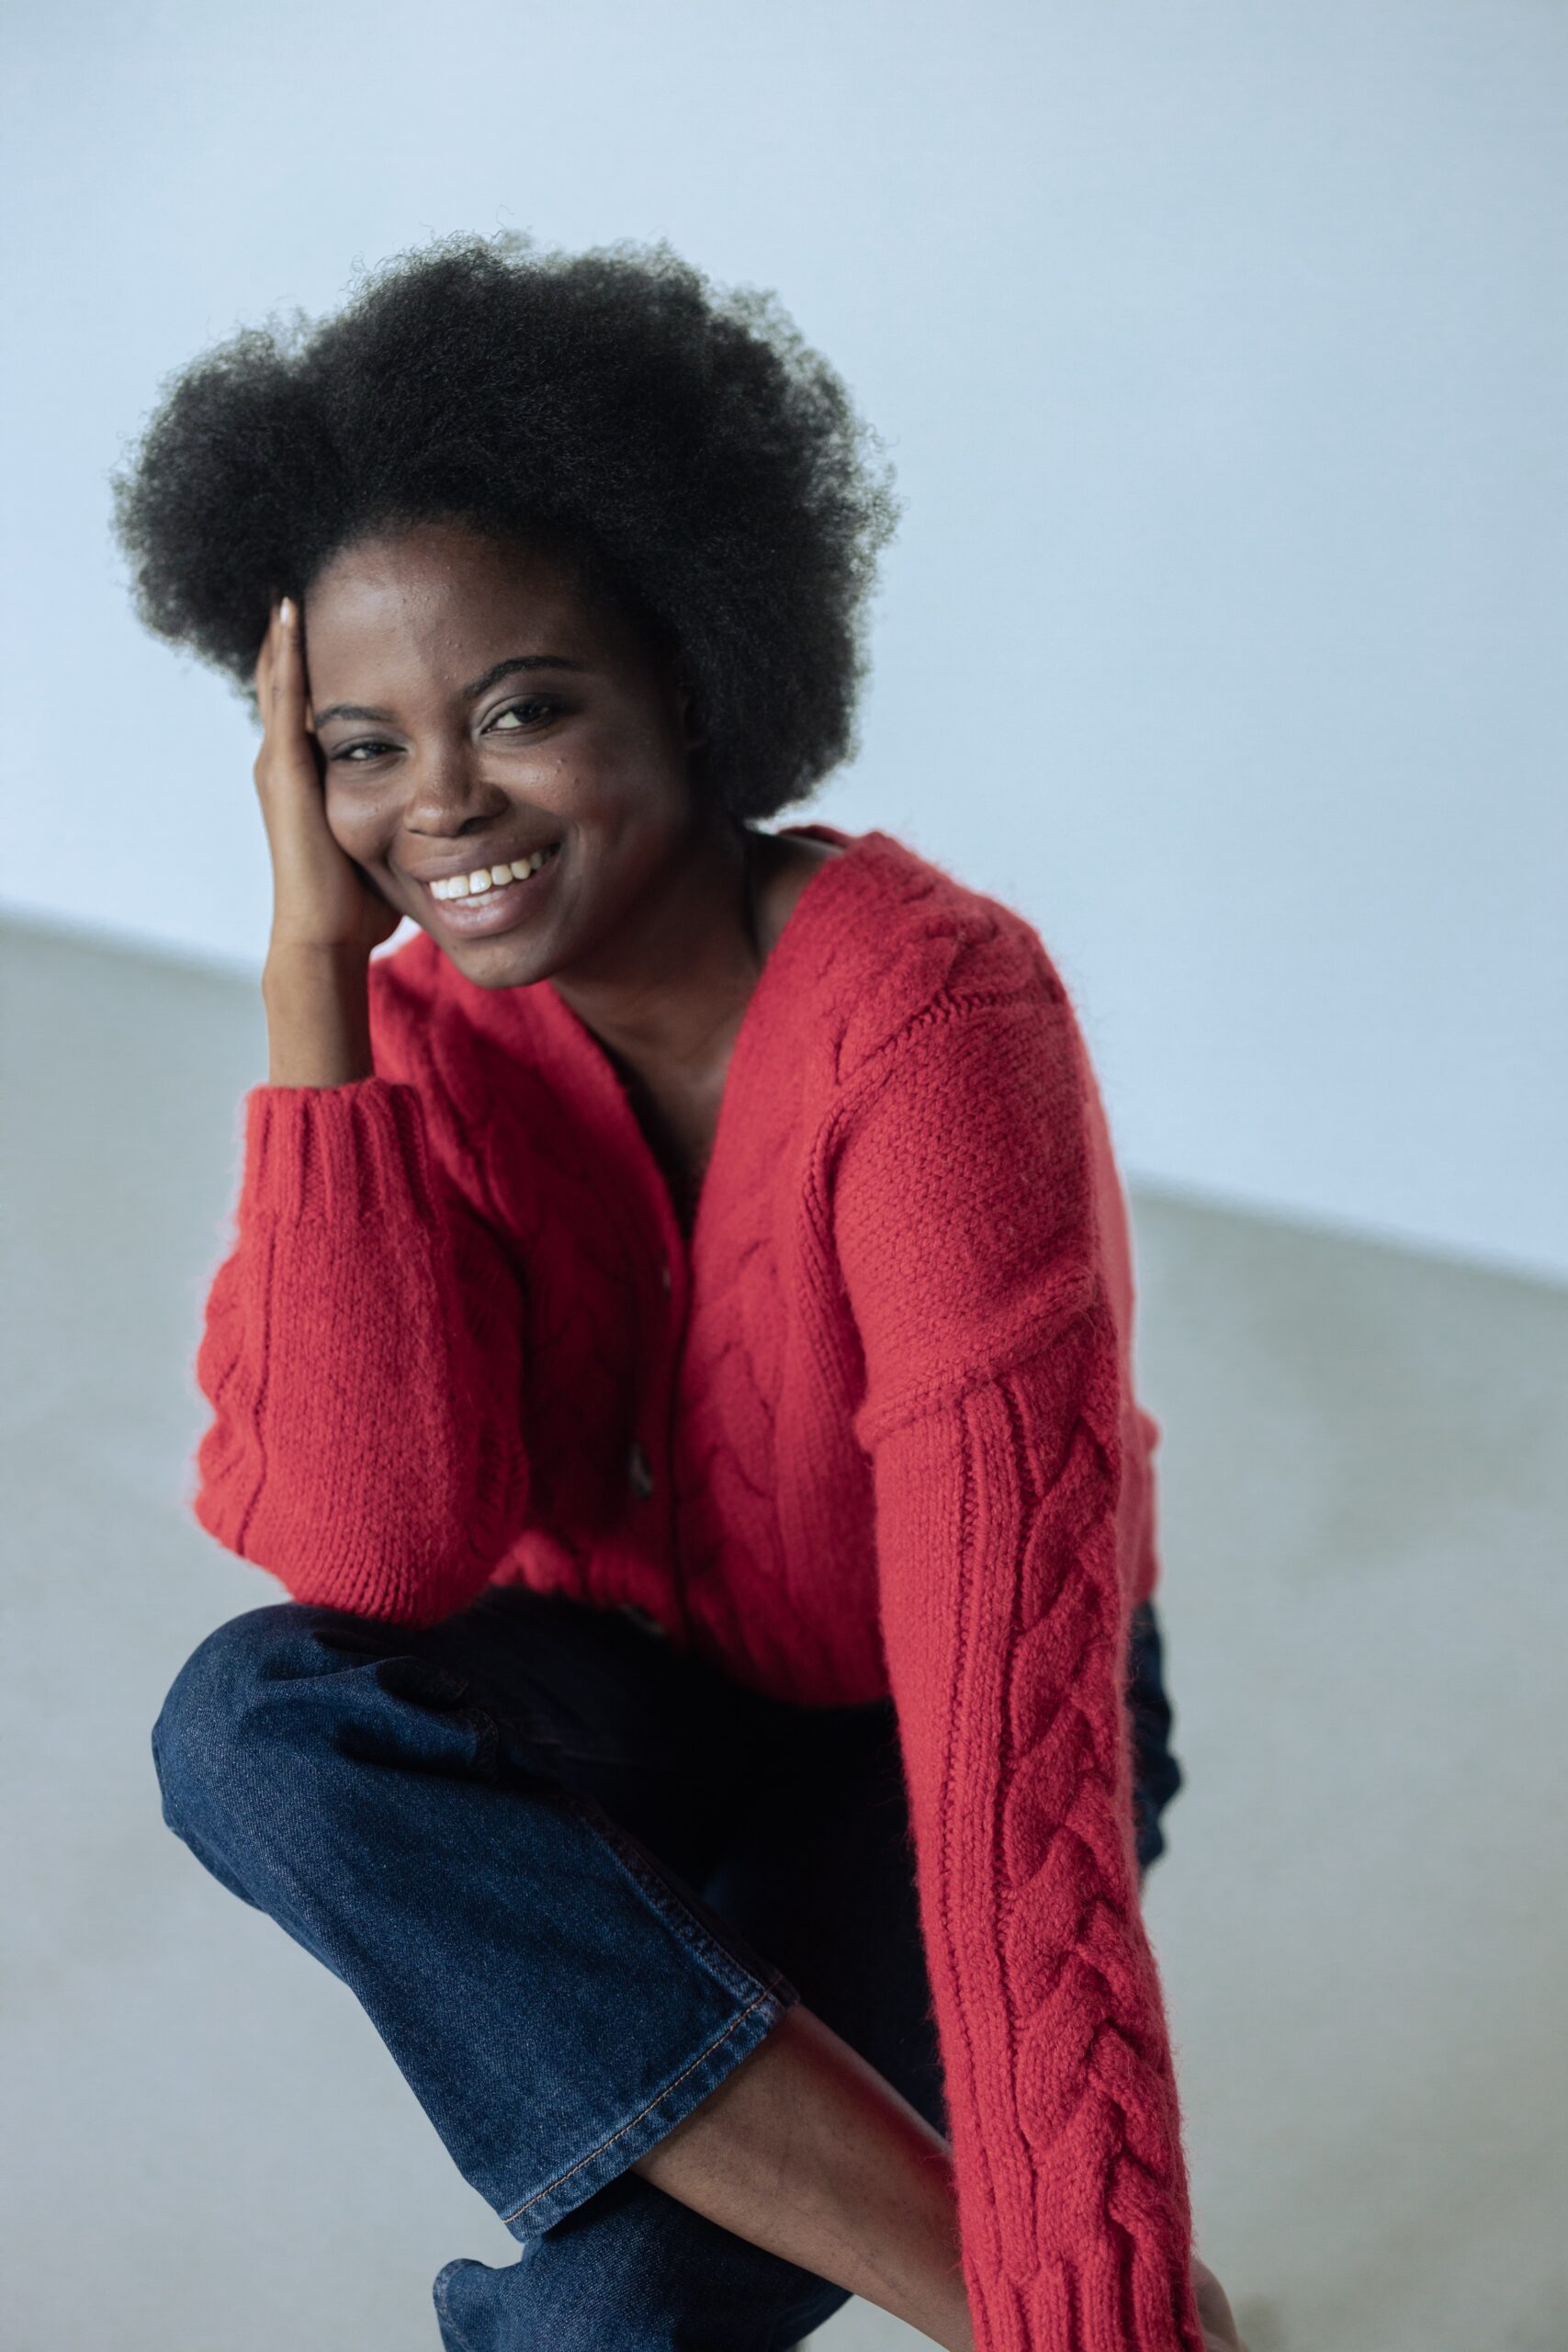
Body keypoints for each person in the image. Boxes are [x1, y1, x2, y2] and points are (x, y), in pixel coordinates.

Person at [113, 232, 1246, 2352]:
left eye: (521, 708)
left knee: (603, 2325)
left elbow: (1014, 1755)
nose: (439, 801)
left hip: (925, 1724)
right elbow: (375, 1544)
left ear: (696, 675)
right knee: (245, 1719)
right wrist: (306, 987)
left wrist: (1079, 2296)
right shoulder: (417, 1035)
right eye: (359, 746)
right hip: (621, 1699)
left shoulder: (928, 1021)